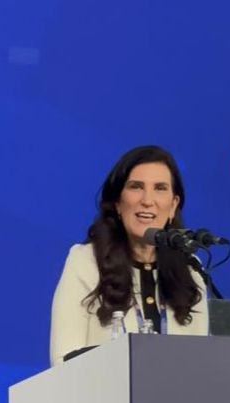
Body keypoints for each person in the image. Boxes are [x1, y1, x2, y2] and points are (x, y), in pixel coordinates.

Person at [50, 145, 208, 365]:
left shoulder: (190, 267)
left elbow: (200, 364)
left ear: (173, 206)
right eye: (136, 187)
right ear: (118, 203)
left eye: (160, 188)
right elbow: (62, 359)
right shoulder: (85, 261)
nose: (147, 200)